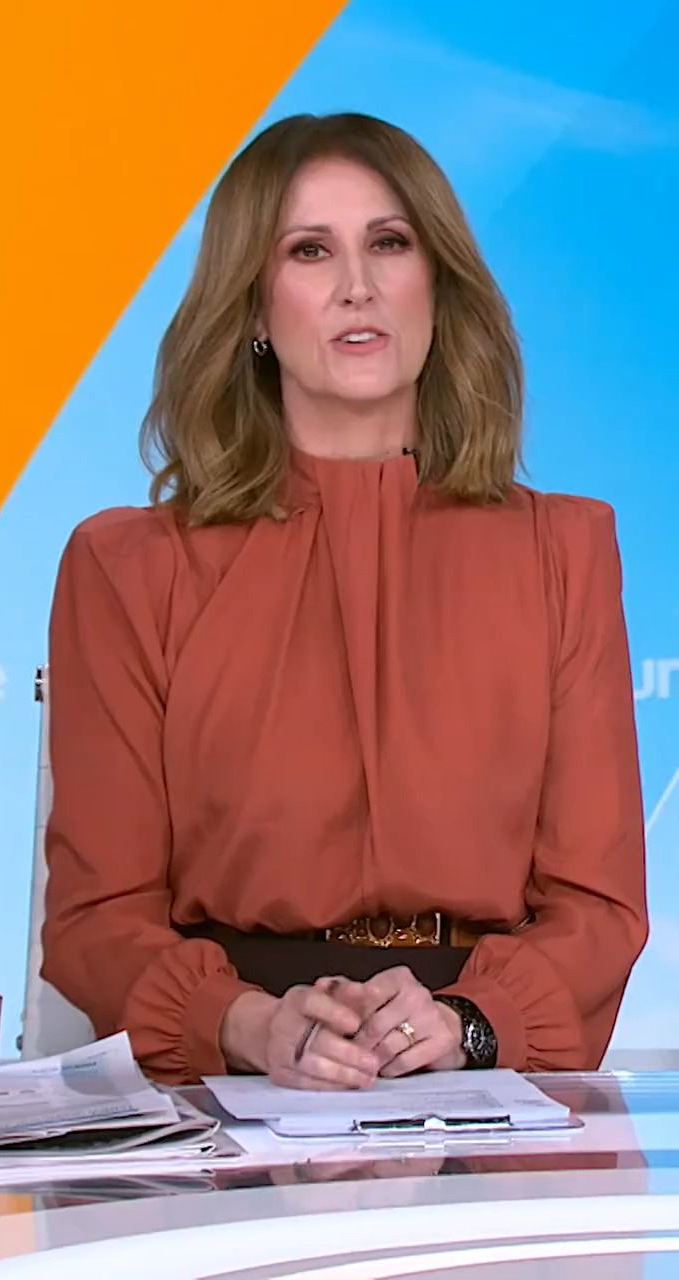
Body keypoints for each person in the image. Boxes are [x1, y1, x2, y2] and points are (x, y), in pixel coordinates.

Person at [42, 112, 648, 1089]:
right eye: (310, 250)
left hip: (480, 1078)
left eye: (390, 243)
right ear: (252, 306)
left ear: (437, 286)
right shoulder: (126, 566)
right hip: (231, 1076)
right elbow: (95, 918)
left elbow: (598, 907)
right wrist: (247, 1025)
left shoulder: (564, 549)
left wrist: (467, 1024)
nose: (357, 285)